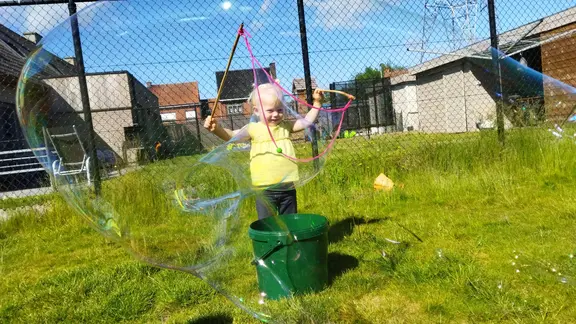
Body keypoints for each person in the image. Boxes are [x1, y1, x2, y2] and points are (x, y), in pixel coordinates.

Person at [203, 83, 323, 219]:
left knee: (290, 220)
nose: (276, 114)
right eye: (270, 111)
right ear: (256, 111)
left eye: (280, 110)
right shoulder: (253, 128)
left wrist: (317, 103)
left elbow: (306, 121)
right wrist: (217, 129)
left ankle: (288, 240)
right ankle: (269, 240)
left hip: (287, 186)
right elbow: (232, 136)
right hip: (264, 188)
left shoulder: (286, 126)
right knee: (267, 223)